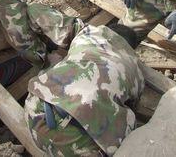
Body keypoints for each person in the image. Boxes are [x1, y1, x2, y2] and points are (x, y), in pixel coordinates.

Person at [25, 24, 144, 156]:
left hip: (34, 114)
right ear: (129, 46)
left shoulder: (85, 35)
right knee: (130, 119)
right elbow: (133, 102)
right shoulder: (133, 67)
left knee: (59, 69)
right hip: (75, 146)